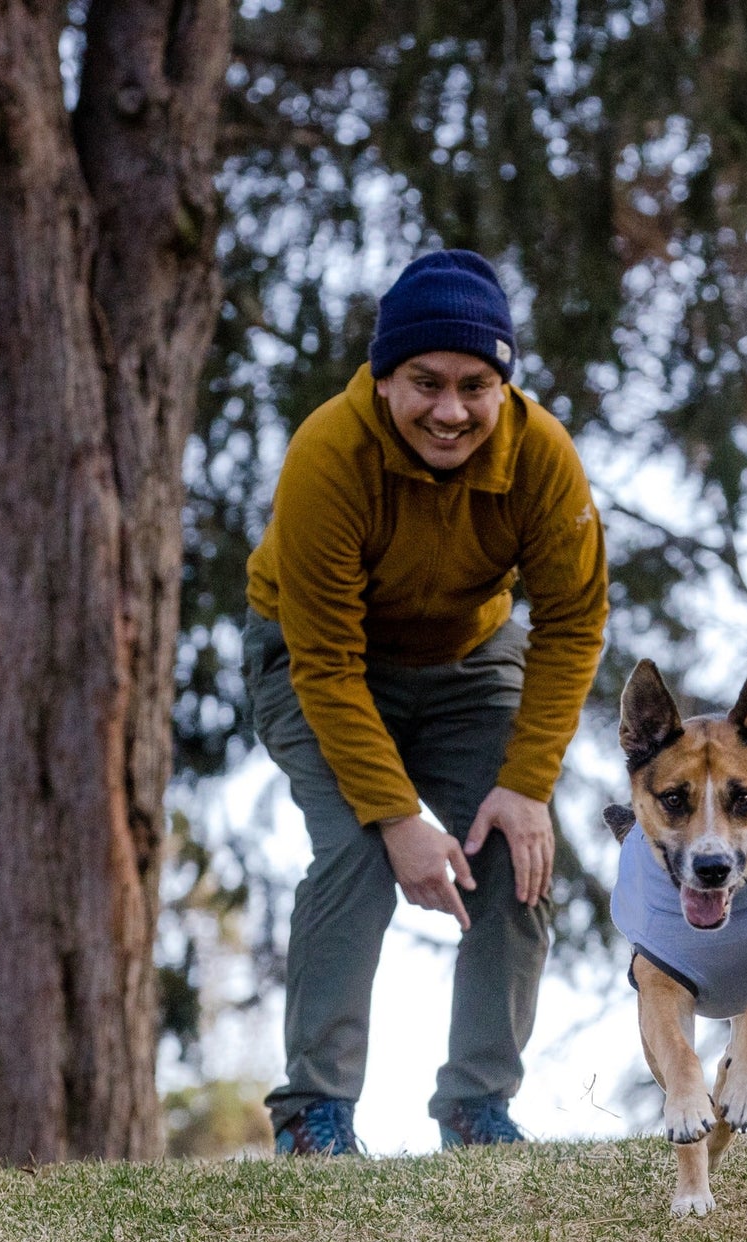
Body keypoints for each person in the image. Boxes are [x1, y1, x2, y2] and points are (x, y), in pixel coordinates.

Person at [242, 249, 608, 1154]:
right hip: (315, 662)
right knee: (361, 852)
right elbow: (326, 664)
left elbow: (572, 623)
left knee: (514, 853)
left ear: (502, 385)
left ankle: (477, 1109)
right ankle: (315, 1115)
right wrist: (398, 815)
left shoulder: (542, 457)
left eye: (474, 386)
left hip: (467, 660)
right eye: (425, 383)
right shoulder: (329, 455)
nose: (450, 411)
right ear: (384, 376)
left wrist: (525, 784)